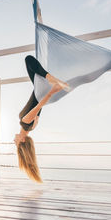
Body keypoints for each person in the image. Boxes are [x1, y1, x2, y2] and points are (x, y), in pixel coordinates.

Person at [14, 55, 69, 183]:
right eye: (16, 143)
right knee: (28, 60)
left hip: (39, 91)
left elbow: (38, 111)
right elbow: (39, 106)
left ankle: (49, 78)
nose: (14, 141)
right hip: (42, 93)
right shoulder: (25, 123)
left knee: (33, 66)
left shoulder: (32, 127)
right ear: (22, 140)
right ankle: (52, 79)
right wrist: (53, 91)